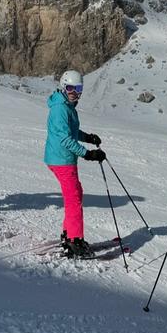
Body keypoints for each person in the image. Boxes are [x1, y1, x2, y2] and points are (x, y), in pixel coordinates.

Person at [44, 70, 105, 259]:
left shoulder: (67, 106)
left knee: (76, 193)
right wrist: (87, 154)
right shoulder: (60, 109)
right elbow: (65, 138)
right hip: (61, 160)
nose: (74, 92)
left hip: (64, 159)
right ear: (63, 86)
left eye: (77, 89)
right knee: (74, 200)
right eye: (70, 88)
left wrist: (87, 137)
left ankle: (68, 234)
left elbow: (72, 131)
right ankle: (74, 241)